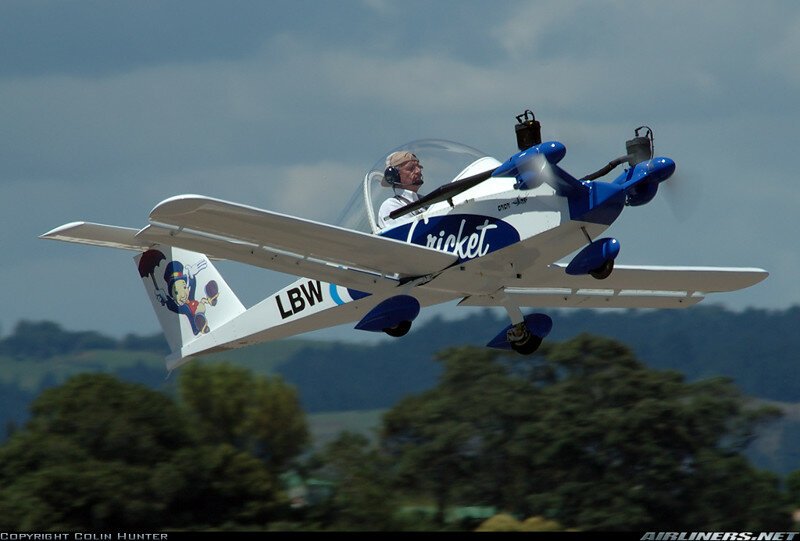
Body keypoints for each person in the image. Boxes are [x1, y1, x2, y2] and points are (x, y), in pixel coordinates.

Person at [377, 151, 425, 229]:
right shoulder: (391, 205)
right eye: (411, 168)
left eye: (418, 166)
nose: (418, 170)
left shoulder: (426, 203)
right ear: (394, 176)